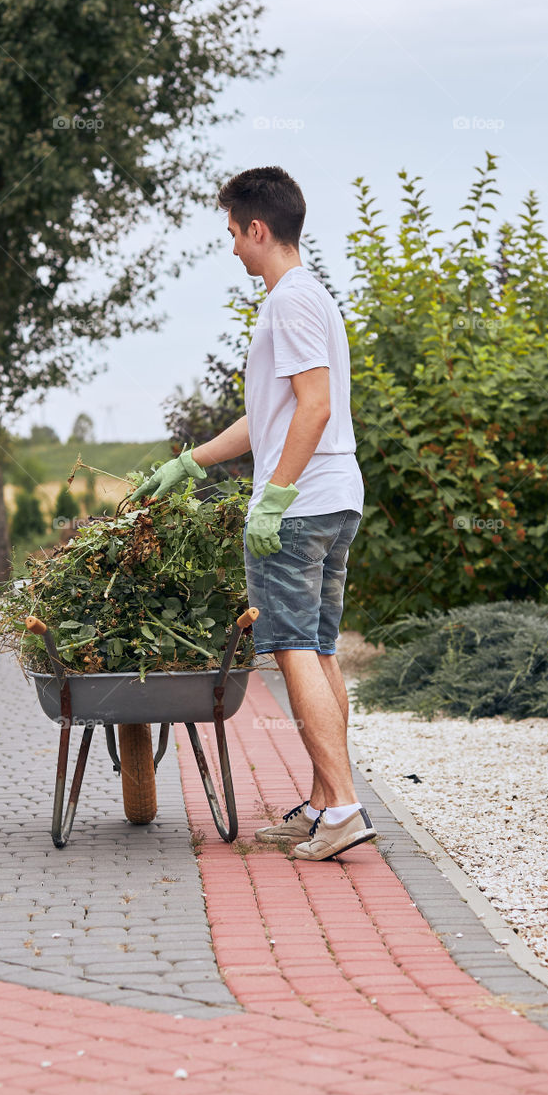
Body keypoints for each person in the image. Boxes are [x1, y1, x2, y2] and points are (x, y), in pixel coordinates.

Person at [129, 165, 375, 861]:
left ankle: (343, 809)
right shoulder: (306, 299)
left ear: (257, 229)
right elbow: (269, 416)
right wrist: (191, 462)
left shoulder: (290, 303)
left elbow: (315, 406)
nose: (232, 246)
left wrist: (274, 496)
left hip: (299, 509)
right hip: (331, 498)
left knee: (292, 648)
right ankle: (327, 802)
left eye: (233, 233)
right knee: (319, 650)